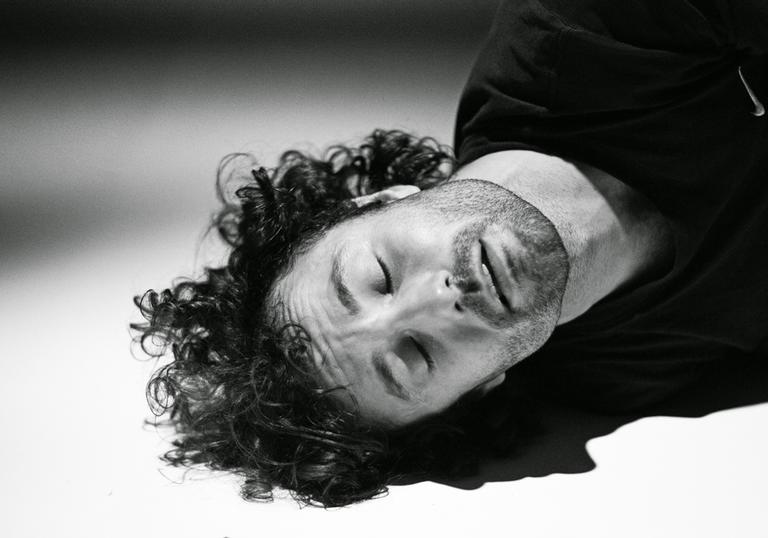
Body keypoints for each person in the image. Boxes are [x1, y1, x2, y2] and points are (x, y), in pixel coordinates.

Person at [131, 0, 768, 507]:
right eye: (416, 356)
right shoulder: (630, 376)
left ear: (379, 199)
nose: (438, 299)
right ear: (483, 390)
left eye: (378, 276)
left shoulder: (582, 28)